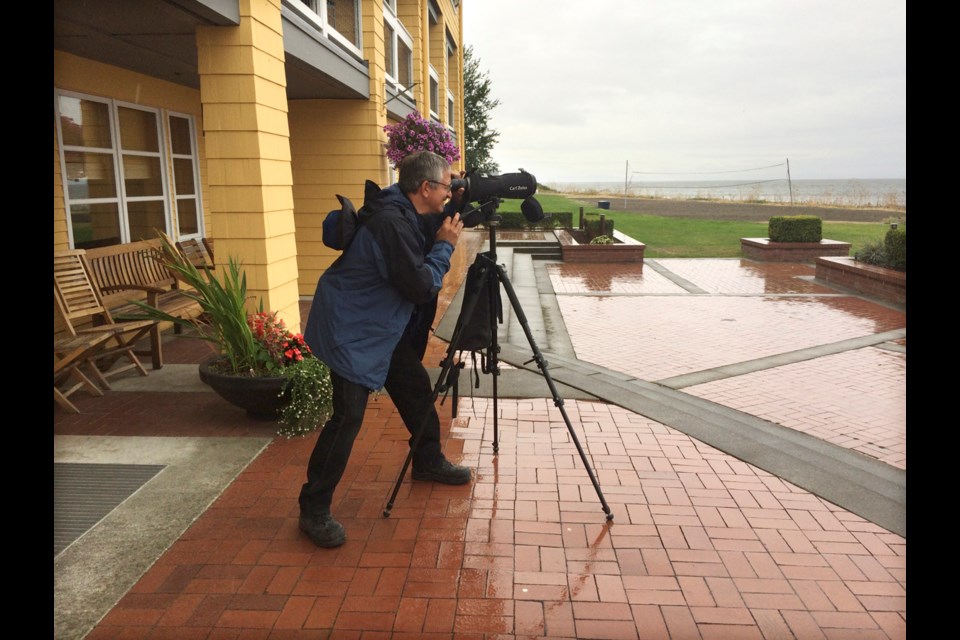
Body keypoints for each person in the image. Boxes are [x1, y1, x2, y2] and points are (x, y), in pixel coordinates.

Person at [299, 150, 471, 548]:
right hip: (351, 328)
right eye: (445, 186)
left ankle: (427, 460)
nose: (448, 191)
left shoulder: (404, 206)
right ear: (425, 188)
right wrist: (445, 247)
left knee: (413, 388)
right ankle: (313, 508)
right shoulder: (392, 222)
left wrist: (456, 204)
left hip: (379, 327)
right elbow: (418, 285)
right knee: (348, 417)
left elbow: (432, 225)